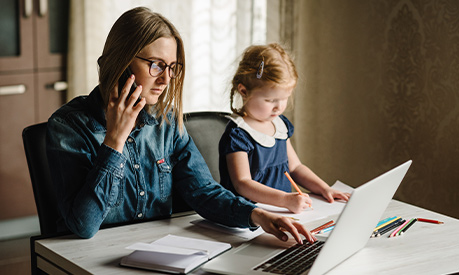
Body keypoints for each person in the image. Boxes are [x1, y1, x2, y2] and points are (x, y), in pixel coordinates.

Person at [46, 7, 315, 244]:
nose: (166, 79)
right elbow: (84, 226)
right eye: (156, 65)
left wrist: (256, 215)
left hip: (157, 252)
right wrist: (114, 142)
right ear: (122, 61)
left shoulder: (167, 122)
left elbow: (203, 192)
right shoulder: (68, 126)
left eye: (172, 67)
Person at [219, 43, 351, 214]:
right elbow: (243, 183)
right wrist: (284, 200)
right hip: (249, 217)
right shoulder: (238, 134)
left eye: (285, 98)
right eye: (270, 100)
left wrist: (324, 188)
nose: (278, 107)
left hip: (281, 212)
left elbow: (295, 167)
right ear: (244, 91)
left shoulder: (280, 125)